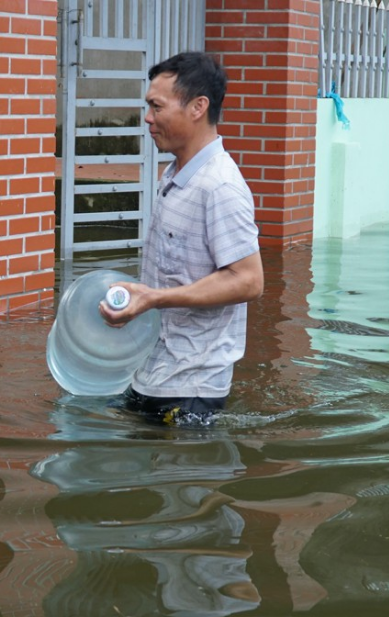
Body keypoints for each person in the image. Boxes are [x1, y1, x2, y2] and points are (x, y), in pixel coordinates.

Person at [99, 52, 264, 427]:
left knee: (180, 481)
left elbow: (249, 280)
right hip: (154, 371)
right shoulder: (174, 173)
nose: (148, 118)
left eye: (156, 107)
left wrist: (155, 299)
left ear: (197, 107)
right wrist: (140, 300)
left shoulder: (220, 186)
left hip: (192, 390)